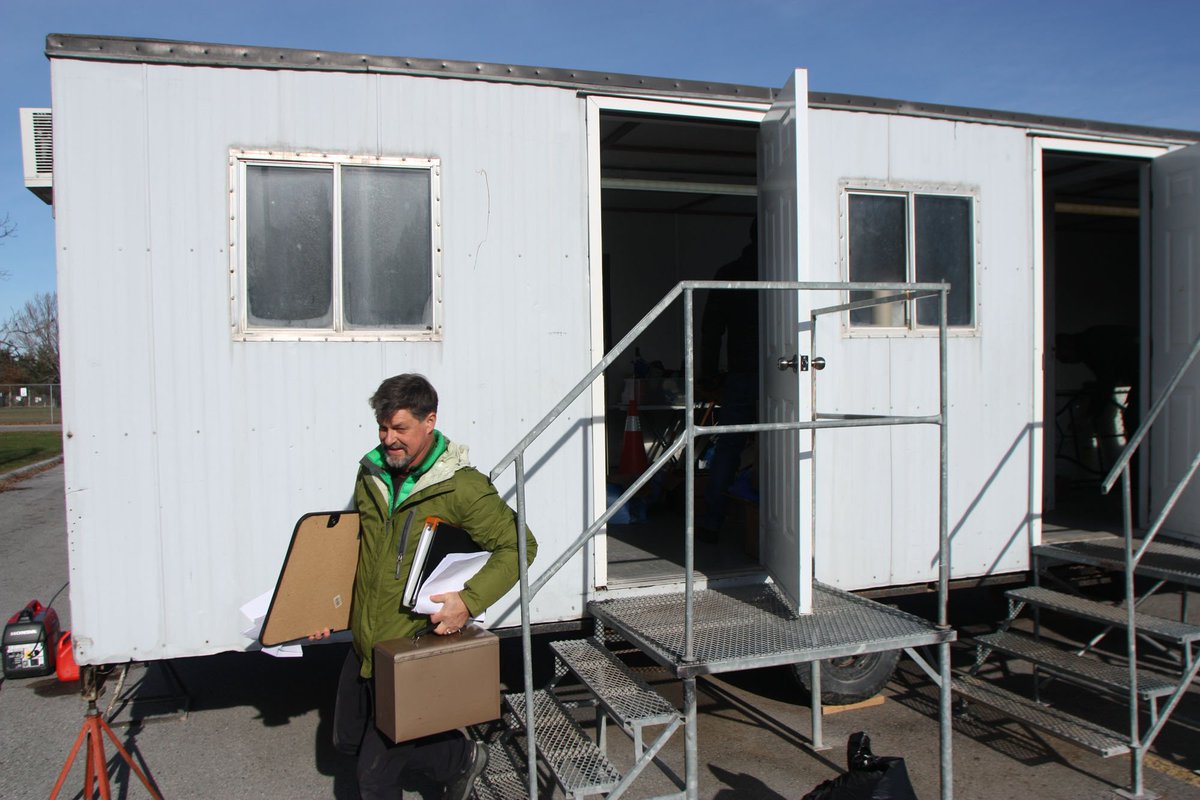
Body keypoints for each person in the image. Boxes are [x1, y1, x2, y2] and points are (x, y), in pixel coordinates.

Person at [312, 373, 537, 800]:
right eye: (383, 427)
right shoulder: (372, 473)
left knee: (374, 777)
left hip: (406, 648)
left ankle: (452, 758)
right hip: (364, 642)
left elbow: (520, 546)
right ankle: (459, 758)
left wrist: (467, 602)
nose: (388, 439)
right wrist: (326, 606)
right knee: (345, 742)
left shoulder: (461, 487)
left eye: (400, 429)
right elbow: (357, 550)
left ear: (429, 421)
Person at [698, 220, 759, 541]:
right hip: (786, 374)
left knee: (729, 447)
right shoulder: (788, 270)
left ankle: (711, 521)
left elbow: (711, 330)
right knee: (787, 446)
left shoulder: (729, 272)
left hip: (742, 373)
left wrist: (706, 375)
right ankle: (773, 529)